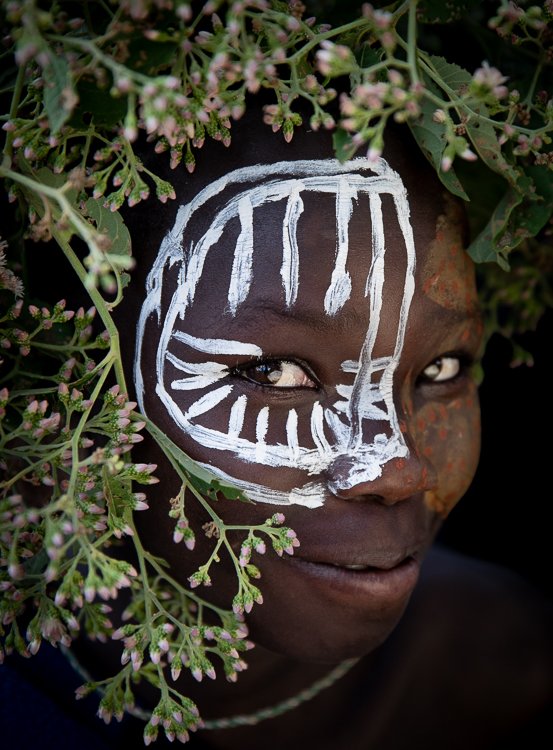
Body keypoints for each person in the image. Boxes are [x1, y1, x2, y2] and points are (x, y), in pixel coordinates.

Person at [2, 105, 551, 749]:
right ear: (71, 400)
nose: (395, 467)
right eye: (275, 374)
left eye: (444, 366)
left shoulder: (510, 669)